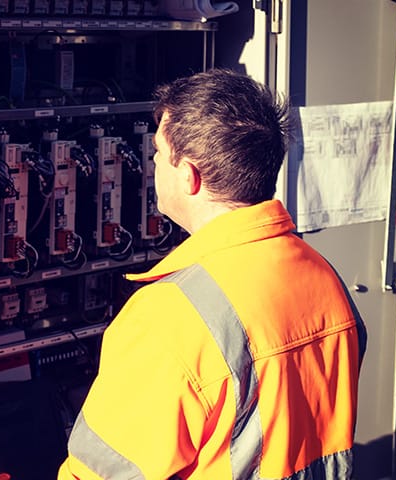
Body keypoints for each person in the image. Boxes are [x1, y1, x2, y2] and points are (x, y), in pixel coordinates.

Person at [57, 68, 367, 479]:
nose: (152, 166)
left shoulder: (170, 317)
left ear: (189, 175)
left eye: (157, 154)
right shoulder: (323, 277)